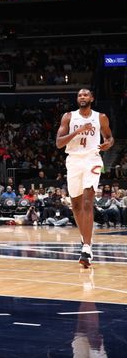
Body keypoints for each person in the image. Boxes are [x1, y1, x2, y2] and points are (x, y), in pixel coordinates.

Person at [55, 88, 114, 267]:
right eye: (80, 95)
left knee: (88, 202)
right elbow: (59, 143)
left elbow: (110, 137)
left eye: (86, 95)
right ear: (77, 99)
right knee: (76, 205)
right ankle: (84, 238)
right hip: (73, 160)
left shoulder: (101, 117)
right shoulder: (68, 117)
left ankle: (87, 248)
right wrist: (79, 130)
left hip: (92, 159)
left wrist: (107, 145)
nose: (82, 97)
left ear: (92, 98)